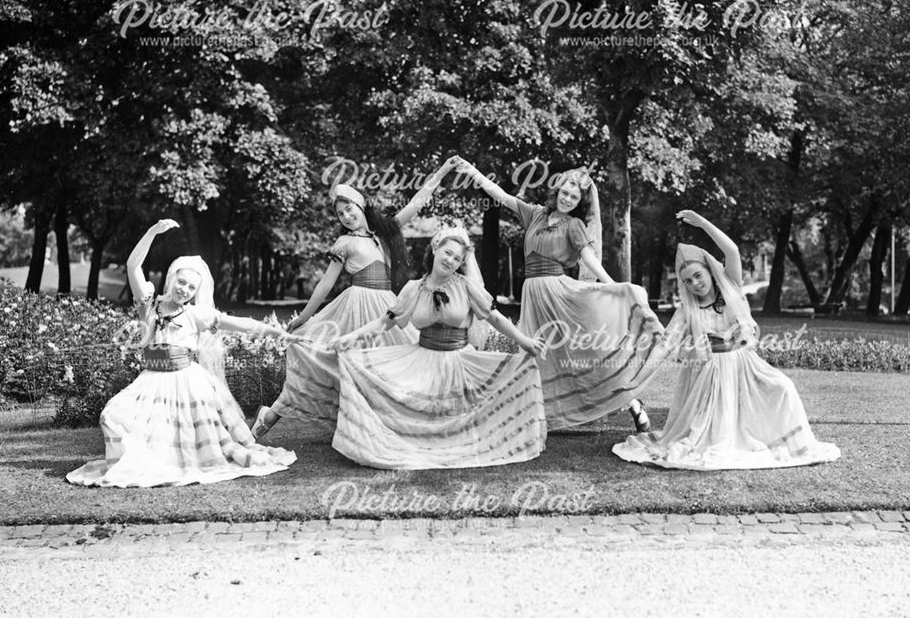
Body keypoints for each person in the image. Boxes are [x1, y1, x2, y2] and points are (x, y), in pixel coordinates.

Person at [66, 219, 298, 488]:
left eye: (191, 288)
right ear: (171, 277)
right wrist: (154, 231)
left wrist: (279, 334)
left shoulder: (195, 314)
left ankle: (173, 464)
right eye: (181, 282)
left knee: (187, 437)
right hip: (151, 379)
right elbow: (132, 266)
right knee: (113, 414)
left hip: (186, 380)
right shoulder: (149, 305)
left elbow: (241, 324)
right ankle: (131, 463)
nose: (184, 290)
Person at [611, 210, 841, 470]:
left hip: (745, 364)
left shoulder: (732, 285)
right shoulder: (687, 309)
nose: (695, 283)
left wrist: (702, 224)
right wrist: (635, 381)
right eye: (687, 281)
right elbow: (665, 345)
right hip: (712, 373)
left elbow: (731, 251)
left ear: (709, 270)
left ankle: (789, 442)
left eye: (698, 275)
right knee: (718, 433)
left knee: (784, 388)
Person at [251, 159, 459, 438]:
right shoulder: (344, 243)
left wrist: (444, 171)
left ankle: (400, 423)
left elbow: (418, 202)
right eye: (340, 214)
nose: (347, 216)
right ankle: (272, 413)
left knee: (404, 358)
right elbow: (325, 284)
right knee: (328, 358)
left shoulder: (385, 234)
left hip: (386, 306)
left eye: (349, 209)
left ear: (361, 206)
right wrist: (304, 317)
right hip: (356, 307)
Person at [451, 158, 662, 430]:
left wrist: (612, 284)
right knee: (534, 353)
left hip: (559, 294)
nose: (567, 199)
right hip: (533, 295)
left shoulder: (574, 225)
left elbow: (588, 257)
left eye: (574, 197)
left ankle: (633, 403)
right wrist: (473, 172)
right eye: (565, 193)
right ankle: (531, 415)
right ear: (557, 191)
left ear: (579, 202)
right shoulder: (535, 214)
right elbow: (500, 196)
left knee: (587, 353)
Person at [328, 226, 547, 470]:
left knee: (499, 385)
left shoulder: (466, 286)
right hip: (422, 360)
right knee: (403, 398)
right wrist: (350, 337)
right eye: (448, 253)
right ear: (435, 249)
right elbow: (384, 323)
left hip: (458, 361)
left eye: (457, 259)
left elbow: (495, 318)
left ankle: (462, 444)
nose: (451, 261)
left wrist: (524, 341)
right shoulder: (413, 288)